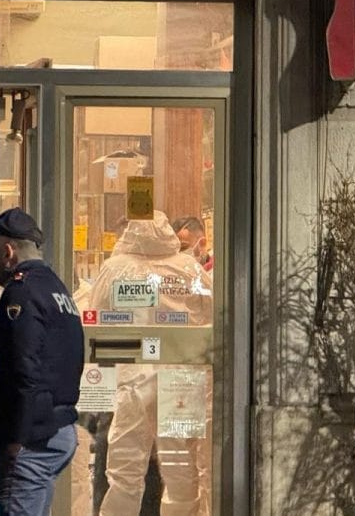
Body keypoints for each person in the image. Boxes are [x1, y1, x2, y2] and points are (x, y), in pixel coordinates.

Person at [82, 211, 213, 516]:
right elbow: (209, 317)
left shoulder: (115, 269)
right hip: (182, 378)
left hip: (133, 376)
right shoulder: (189, 268)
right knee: (182, 470)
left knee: (125, 469)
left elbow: (97, 317)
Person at [0, 208, 85, 516]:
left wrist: (16, 438)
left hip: (33, 436)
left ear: (8, 251)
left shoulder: (22, 291)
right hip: (56, 426)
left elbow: (22, 368)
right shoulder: (55, 288)